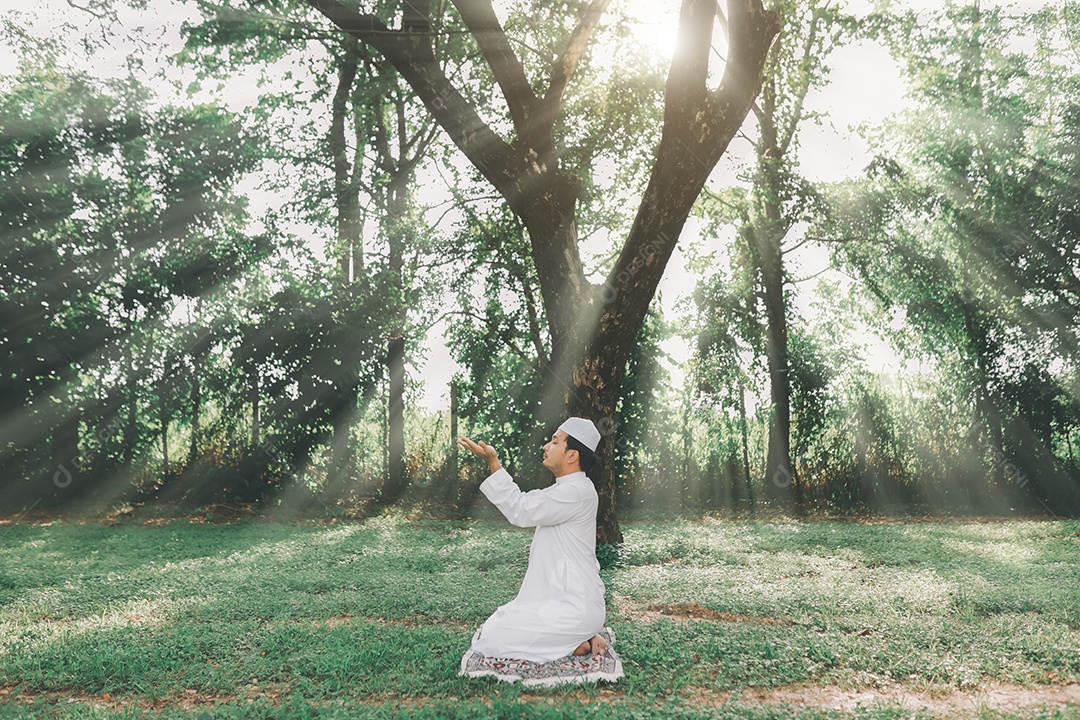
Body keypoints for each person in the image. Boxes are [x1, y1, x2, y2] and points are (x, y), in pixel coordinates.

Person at [458, 417, 608, 662]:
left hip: (575, 606)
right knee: (499, 622)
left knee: (492, 641)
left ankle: (576, 639)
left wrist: (493, 462)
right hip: (561, 602)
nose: (546, 447)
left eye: (554, 442)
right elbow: (527, 506)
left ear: (572, 455)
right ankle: (580, 639)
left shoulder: (575, 492)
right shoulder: (569, 489)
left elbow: (521, 509)